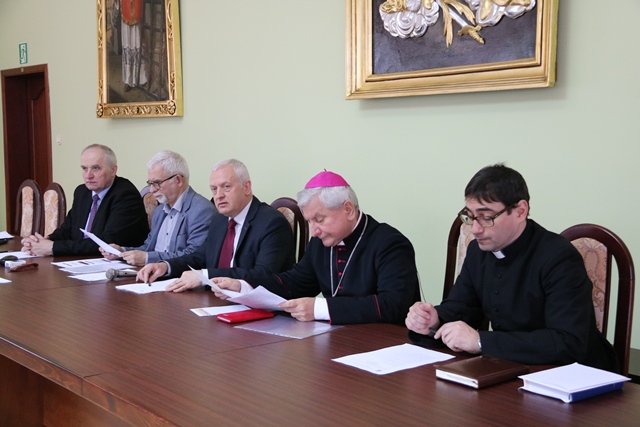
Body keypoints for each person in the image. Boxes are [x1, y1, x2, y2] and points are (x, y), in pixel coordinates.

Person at [405, 164, 620, 372]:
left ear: (520, 211)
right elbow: (462, 307)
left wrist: (481, 341)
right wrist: (434, 321)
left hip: (576, 376)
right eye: (470, 216)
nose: (475, 229)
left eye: (486, 217)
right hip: (511, 368)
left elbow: (568, 342)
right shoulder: (478, 252)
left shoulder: (558, 257)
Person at [212, 170, 421, 325]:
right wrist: (244, 286)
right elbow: (294, 282)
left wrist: (320, 308)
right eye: (310, 221)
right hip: (338, 342)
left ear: (348, 209)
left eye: (319, 219)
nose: (314, 231)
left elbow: (393, 305)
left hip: (384, 346)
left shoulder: (390, 243)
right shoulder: (321, 243)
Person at [137, 159, 295, 290]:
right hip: (217, 300)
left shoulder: (272, 223)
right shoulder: (220, 220)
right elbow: (199, 257)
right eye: (214, 189)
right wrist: (165, 266)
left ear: (246, 187)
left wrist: (205, 276)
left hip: (259, 307)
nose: (218, 196)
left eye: (226, 187)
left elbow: (263, 274)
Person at [21, 144, 149, 257]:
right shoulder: (82, 192)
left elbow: (106, 242)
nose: (88, 175)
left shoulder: (125, 195)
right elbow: (67, 230)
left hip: (116, 264)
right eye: (84, 168)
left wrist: (53, 247)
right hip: (81, 260)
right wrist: (43, 242)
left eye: (96, 168)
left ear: (113, 170)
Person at [100, 150, 216, 266]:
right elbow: (148, 248)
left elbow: (194, 256)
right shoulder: (159, 211)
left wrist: (148, 258)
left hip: (179, 275)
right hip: (152, 272)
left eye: (157, 183)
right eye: (150, 183)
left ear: (178, 180)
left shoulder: (202, 210)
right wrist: (121, 252)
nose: (152, 190)